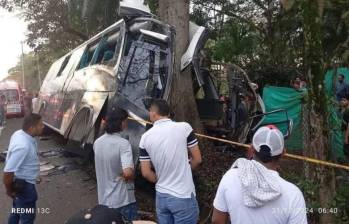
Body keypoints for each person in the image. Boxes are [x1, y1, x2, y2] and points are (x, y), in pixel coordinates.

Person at [212, 125, 307, 224]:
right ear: (283, 153)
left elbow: (217, 221)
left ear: (251, 149)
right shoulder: (293, 195)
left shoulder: (230, 177)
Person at [139, 99, 202, 224]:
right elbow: (197, 160)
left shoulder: (145, 138)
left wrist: (161, 179)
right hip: (183, 196)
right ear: (168, 113)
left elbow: (146, 173)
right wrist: (184, 172)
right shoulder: (184, 128)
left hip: (162, 197)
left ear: (153, 113)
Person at [93, 108, 137, 221]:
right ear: (121, 122)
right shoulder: (123, 144)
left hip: (103, 200)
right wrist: (132, 174)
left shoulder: (97, 143)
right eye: (126, 120)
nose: (126, 123)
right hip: (122, 200)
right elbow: (128, 173)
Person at [3, 113, 44, 224]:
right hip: (25, 187)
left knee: (16, 212)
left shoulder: (19, 133)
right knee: (27, 218)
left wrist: (34, 175)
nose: (43, 127)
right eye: (40, 125)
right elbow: (8, 172)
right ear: (31, 128)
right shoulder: (23, 146)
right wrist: (9, 190)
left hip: (22, 184)